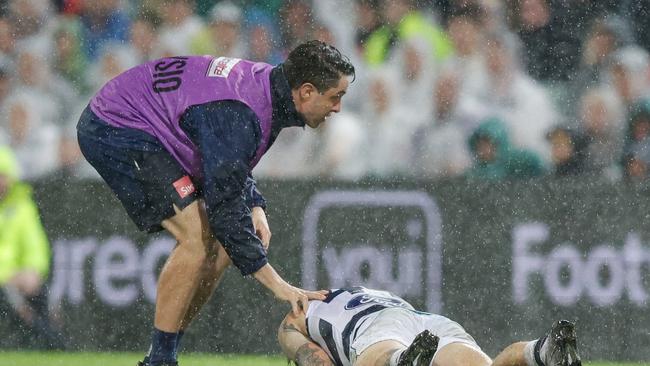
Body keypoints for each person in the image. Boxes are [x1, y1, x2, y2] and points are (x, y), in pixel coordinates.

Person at [76, 40, 355, 366]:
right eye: (336, 96)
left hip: (147, 122)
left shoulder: (267, 90)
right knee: (196, 239)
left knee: (221, 248)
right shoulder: (243, 113)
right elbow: (224, 206)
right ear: (306, 92)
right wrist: (278, 285)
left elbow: (227, 159)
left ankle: (162, 354)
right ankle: (160, 362)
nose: (337, 108)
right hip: (116, 126)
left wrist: (254, 203)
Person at [278, 286, 582, 366]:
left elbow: (311, 359)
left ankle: (402, 361)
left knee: (373, 361)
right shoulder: (364, 294)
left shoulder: (301, 313)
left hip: (382, 326)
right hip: (430, 322)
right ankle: (541, 351)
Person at [0, 146, 61, 349]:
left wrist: (31, 272)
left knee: (37, 290)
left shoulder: (23, 208)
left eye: (3, 176)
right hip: (7, 280)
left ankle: (47, 343)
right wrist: (6, 276)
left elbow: (36, 248)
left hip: (15, 279)